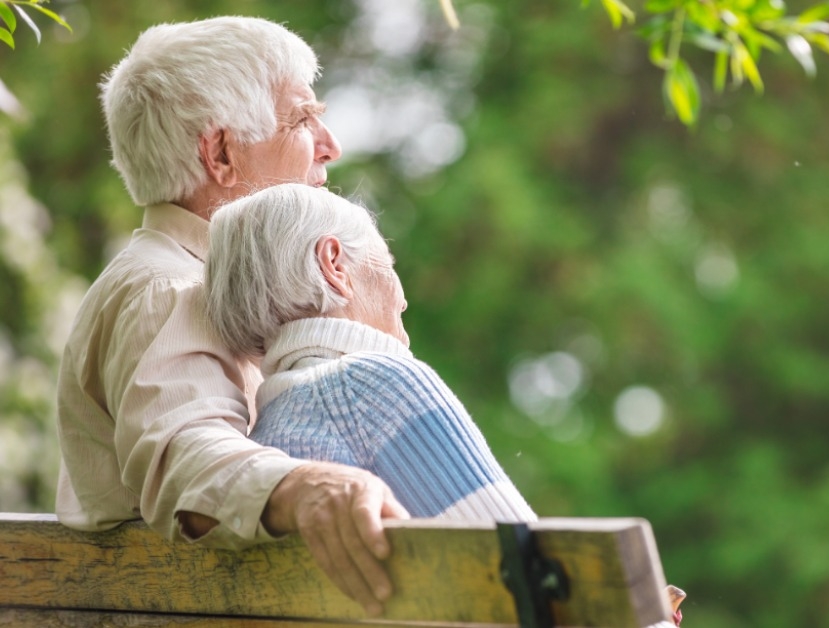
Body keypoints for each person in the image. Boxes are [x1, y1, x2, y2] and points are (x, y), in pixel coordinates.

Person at [55, 17, 402, 616]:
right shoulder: (171, 287)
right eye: (302, 119)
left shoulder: (203, 281)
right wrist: (308, 486)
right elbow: (184, 450)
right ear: (219, 153)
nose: (330, 144)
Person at [204, 184, 537, 522]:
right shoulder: (375, 386)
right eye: (388, 263)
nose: (403, 299)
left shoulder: (263, 436)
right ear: (333, 265)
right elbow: (524, 556)